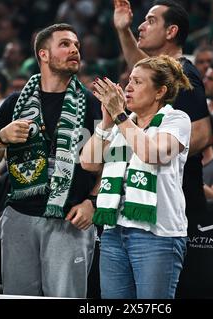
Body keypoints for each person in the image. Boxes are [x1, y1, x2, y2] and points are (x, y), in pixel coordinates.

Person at [0, 23, 101, 297]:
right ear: (43, 55)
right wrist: (1, 138)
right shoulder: (14, 102)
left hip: (69, 219)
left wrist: (93, 202)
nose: (75, 50)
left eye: (77, 45)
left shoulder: (92, 104)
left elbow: (113, 160)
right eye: (65, 44)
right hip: (19, 215)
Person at [81, 55, 192, 299]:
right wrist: (106, 122)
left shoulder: (176, 119)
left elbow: (151, 153)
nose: (128, 87)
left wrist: (119, 115)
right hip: (113, 232)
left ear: (159, 92)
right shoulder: (124, 123)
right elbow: (88, 162)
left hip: (157, 235)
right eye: (129, 80)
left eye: (138, 82)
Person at [113, 0, 211, 215]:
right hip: (155, 195)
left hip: (177, 198)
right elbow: (145, 71)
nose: (141, 26)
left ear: (171, 31)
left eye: (150, 21)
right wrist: (123, 30)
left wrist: (154, 154)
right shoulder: (167, 74)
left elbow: (203, 135)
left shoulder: (184, 75)